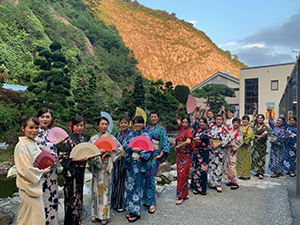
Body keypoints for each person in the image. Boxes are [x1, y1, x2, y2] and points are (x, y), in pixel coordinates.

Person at [14, 116, 51, 225]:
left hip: (34, 185)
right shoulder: (21, 146)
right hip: (28, 187)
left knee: (33, 217)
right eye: (31, 127)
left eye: (36, 127)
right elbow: (25, 169)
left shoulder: (32, 143)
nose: (34, 131)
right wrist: (42, 172)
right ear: (23, 128)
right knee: (31, 217)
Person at [89, 117, 122, 224]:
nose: (104, 126)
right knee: (95, 190)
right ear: (97, 126)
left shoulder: (112, 138)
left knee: (105, 191)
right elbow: (88, 152)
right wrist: (98, 153)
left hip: (107, 167)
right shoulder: (93, 139)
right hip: (96, 167)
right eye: (102, 124)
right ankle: (95, 214)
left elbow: (119, 149)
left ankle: (104, 215)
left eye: (106, 124)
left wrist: (108, 153)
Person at [123, 116, 154, 223]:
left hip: (140, 165)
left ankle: (136, 212)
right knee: (129, 186)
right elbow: (125, 145)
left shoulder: (146, 135)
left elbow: (151, 149)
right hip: (131, 164)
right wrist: (133, 149)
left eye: (139, 123)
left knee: (138, 187)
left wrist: (142, 154)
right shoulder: (131, 134)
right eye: (135, 123)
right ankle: (131, 209)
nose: (137, 125)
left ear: (143, 124)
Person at [59, 116, 88, 225]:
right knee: (71, 197)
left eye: (81, 125)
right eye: (77, 125)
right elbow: (62, 158)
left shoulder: (84, 140)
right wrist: (77, 159)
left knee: (79, 196)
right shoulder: (68, 140)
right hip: (70, 174)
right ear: (72, 126)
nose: (79, 128)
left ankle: (77, 220)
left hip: (80, 172)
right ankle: (70, 222)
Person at [35, 108, 61, 225]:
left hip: (52, 169)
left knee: (53, 194)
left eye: (48, 117)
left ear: (51, 119)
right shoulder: (36, 132)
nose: (45, 119)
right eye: (42, 117)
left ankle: (52, 221)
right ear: (38, 118)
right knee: (44, 196)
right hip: (41, 169)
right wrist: (54, 144)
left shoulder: (49, 132)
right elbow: (43, 147)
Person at [144, 111, 170, 213]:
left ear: (158, 118)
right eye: (152, 117)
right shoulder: (147, 129)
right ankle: (146, 199)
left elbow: (165, 142)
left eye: (155, 117)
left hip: (155, 156)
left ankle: (152, 202)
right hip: (146, 155)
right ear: (149, 118)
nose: (153, 118)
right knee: (145, 177)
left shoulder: (161, 129)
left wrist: (161, 154)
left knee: (150, 177)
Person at [175, 103, 195, 204]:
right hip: (179, 155)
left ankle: (180, 196)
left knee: (183, 175)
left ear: (189, 123)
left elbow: (188, 142)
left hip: (186, 155)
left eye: (186, 122)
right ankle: (185, 193)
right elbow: (177, 118)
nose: (184, 124)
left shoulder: (189, 132)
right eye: (183, 122)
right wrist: (179, 110)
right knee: (181, 175)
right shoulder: (180, 129)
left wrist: (179, 146)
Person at [112, 117, 132, 212]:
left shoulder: (131, 134)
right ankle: (114, 202)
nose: (123, 124)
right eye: (122, 123)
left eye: (125, 123)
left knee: (123, 182)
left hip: (125, 160)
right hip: (116, 160)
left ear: (128, 124)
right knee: (115, 180)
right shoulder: (117, 134)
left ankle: (122, 204)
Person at [208, 114, 231, 193]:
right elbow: (208, 136)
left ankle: (218, 184)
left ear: (222, 121)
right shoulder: (212, 127)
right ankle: (212, 182)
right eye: (217, 119)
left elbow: (227, 138)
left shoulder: (224, 129)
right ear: (215, 120)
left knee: (219, 166)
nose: (218, 121)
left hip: (220, 149)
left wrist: (217, 144)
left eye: (220, 119)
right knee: (212, 165)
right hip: (212, 149)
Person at [191, 116, 210, 195]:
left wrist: (192, 138)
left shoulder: (208, 131)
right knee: (195, 170)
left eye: (203, 122)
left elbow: (203, 137)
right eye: (200, 122)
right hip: (196, 152)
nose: (201, 123)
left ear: (205, 123)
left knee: (203, 170)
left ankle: (203, 189)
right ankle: (196, 187)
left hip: (203, 152)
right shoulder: (197, 131)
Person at [223, 118, 244, 189]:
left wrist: (227, 144)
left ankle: (235, 182)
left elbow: (238, 141)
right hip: (227, 150)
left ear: (239, 124)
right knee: (227, 165)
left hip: (232, 151)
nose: (235, 124)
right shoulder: (230, 130)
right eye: (234, 122)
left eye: (237, 123)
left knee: (232, 165)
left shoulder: (239, 132)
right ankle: (230, 180)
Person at [251, 103, 269, 179]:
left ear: (263, 119)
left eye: (261, 118)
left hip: (261, 145)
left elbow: (266, 132)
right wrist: (256, 109)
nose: (259, 119)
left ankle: (261, 172)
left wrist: (259, 137)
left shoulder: (264, 126)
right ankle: (257, 171)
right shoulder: (256, 124)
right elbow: (253, 116)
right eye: (259, 118)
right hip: (255, 145)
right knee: (255, 158)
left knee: (261, 158)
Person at [268, 108, 286, 178]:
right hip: (273, 146)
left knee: (278, 159)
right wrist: (270, 113)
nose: (278, 122)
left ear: (282, 123)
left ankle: (277, 172)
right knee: (273, 159)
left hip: (279, 146)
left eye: (280, 121)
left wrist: (276, 140)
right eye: (278, 120)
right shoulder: (274, 126)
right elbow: (270, 120)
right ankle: (280, 170)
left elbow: (282, 137)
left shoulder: (283, 129)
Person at [236, 115, 254, 180]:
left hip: (246, 147)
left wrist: (242, 142)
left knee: (246, 161)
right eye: (244, 119)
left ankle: (246, 175)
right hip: (240, 147)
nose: (245, 121)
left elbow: (248, 137)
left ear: (248, 121)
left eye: (246, 120)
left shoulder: (249, 128)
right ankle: (240, 174)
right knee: (239, 160)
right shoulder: (240, 127)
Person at [282, 108, 297, 177]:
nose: (291, 121)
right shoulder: (288, 127)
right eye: (290, 120)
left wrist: (287, 136)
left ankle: (293, 171)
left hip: (293, 146)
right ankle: (288, 170)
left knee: (293, 159)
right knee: (287, 158)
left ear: (296, 121)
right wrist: (284, 113)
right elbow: (284, 121)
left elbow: (293, 136)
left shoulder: (297, 128)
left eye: (293, 120)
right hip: (287, 146)